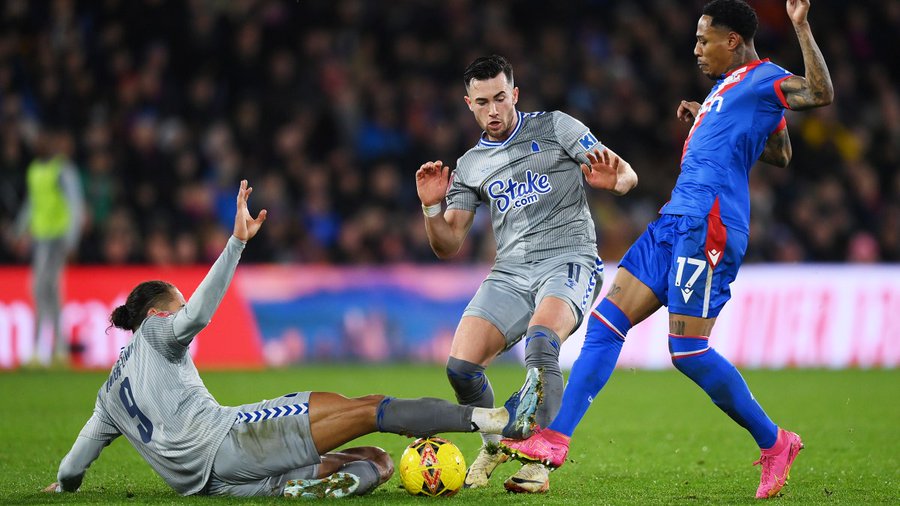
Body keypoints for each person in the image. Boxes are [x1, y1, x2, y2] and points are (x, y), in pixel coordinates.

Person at [501, 0, 833, 500]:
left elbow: (820, 94)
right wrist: (711, 115)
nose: (696, 50)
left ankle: (776, 442)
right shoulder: (726, 89)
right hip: (674, 220)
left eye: (704, 40)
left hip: (711, 226)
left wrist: (802, 27)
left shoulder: (767, 77)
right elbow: (779, 151)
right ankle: (554, 440)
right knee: (607, 321)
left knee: (688, 351)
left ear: (733, 42)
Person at [43, 180, 541, 499]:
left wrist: (61, 488)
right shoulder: (157, 331)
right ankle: (484, 417)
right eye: (176, 301)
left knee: (377, 462)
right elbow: (194, 316)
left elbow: (74, 464)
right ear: (155, 313)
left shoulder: (108, 395)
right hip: (232, 439)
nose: (181, 309)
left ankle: (297, 488)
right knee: (369, 407)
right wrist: (237, 243)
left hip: (212, 488)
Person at [415, 54, 638, 493]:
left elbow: (626, 172)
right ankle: (495, 444)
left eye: (501, 98)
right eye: (483, 102)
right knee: (460, 368)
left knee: (542, 342)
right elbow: (448, 243)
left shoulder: (556, 126)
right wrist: (430, 207)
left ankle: (539, 459)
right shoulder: (471, 165)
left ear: (514, 94)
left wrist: (619, 183)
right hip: (511, 273)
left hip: (569, 259)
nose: (494, 110)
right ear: (469, 104)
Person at [15, 125, 84, 365]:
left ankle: (41, 349)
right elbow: (32, 204)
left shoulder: (62, 171)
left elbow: (75, 205)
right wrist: (19, 231)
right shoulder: (35, 170)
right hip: (41, 238)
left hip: (56, 239)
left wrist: (72, 239)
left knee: (40, 288)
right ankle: (58, 349)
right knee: (49, 292)